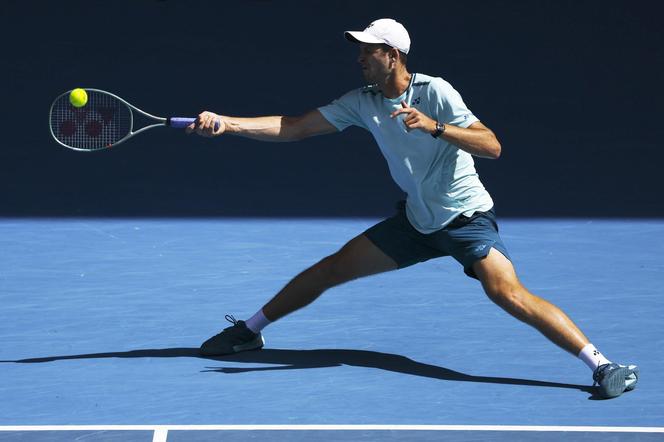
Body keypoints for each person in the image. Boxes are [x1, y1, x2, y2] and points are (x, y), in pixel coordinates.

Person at [186, 18, 638, 399]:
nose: (359, 58)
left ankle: (602, 365)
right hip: (417, 223)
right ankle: (249, 331)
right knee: (330, 268)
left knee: (507, 293)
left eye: (368, 51)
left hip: (466, 220)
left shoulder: (435, 92)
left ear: (393, 55)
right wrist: (228, 124)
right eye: (359, 51)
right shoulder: (361, 102)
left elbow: (492, 146)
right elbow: (296, 127)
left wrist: (435, 127)